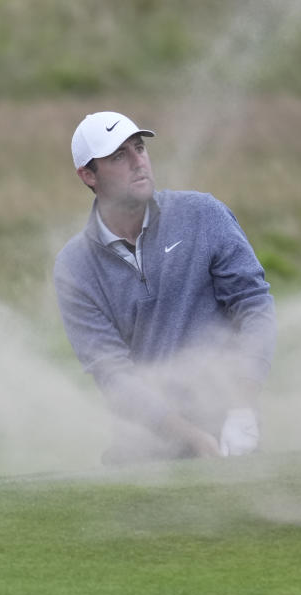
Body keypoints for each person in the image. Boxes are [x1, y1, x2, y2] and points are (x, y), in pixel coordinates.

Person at [54, 111, 276, 462]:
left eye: (139, 148)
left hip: (229, 426)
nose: (137, 162)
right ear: (88, 175)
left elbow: (254, 306)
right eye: (118, 156)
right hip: (146, 444)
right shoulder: (75, 267)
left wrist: (243, 407)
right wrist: (190, 437)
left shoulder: (203, 214)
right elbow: (113, 374)